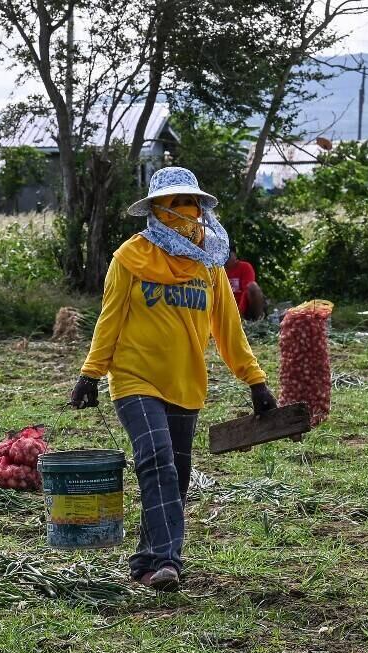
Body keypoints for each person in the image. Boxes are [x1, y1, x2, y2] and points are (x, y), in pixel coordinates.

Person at [69, 167, 277, 592]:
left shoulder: (209, 265)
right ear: (156, 209)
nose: (185, 211)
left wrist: (255, 381)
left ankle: (146, 559)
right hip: (134, 378)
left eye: (191, 203)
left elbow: (228, 329)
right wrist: (90, 374)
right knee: (156, 456)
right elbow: (110, 321)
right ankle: (167, 561)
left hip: (186, 382)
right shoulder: (130, 258)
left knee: (176, 472)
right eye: (175, 204)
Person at [225, 248, 266, 321]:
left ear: (235, 255)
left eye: (228, 255)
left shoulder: (245, 267)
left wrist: (240, 313)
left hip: (245, 308)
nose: (226, 259)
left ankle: (259, 321)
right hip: (227, 309)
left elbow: (246, 291)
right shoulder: (219, 271)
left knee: (252, 287)